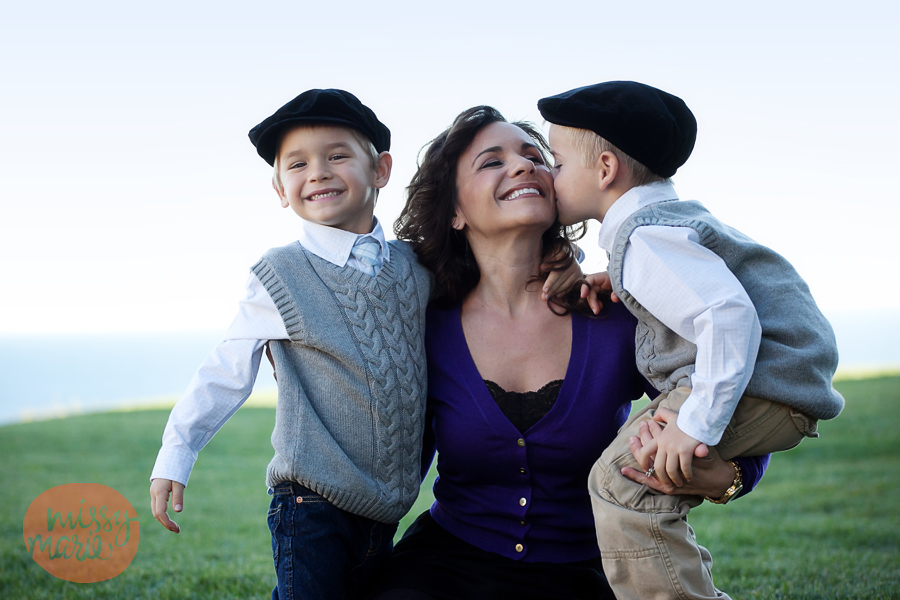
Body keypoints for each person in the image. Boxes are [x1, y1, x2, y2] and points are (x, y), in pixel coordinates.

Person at [363, 106, 770, 600]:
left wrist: (727, 478)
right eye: (492, 161)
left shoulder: (617, 312)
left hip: (588, 569)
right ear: (455, 212)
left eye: (537, 157)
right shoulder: (426, 323)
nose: (523, 165)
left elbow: (734, 399)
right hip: (446, 564)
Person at [538, 81, 845, 600]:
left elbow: (727, 314)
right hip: (776, 378)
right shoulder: (660, 230)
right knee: (630, 482)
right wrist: (625, 281)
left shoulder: (644, 240)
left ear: (606, 169)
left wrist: (694, 424)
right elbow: (705, 287)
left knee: (621, 483)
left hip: (763, 382)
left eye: (558, 163)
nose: (550, 176)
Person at [148, 89, 435, 600]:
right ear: (281, 189)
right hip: (310, 504)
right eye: (298, 164)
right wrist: (177, 452)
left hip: (387, 506)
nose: (318, 173)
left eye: (337, 156)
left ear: (381, 170)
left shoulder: (417, 268)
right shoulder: (282, 274)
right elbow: (225, 369)